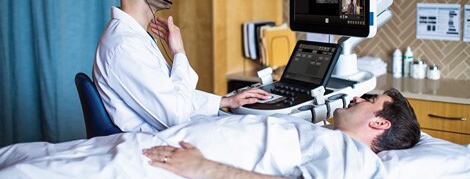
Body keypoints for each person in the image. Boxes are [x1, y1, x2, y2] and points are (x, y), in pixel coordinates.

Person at [93, 0, 270, 132]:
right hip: (158, 146)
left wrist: (225, 101)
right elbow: (176, 116)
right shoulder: (125, 47)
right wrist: (179, 53)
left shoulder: (132, 38)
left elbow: (172, 97)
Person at [143, 88, 421, 179]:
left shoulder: (353, 155)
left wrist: (204, 168)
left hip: (162, 165)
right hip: (156, 147)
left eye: (370, 99)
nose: (357, 97)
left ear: (381, 124)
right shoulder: (326, 136)